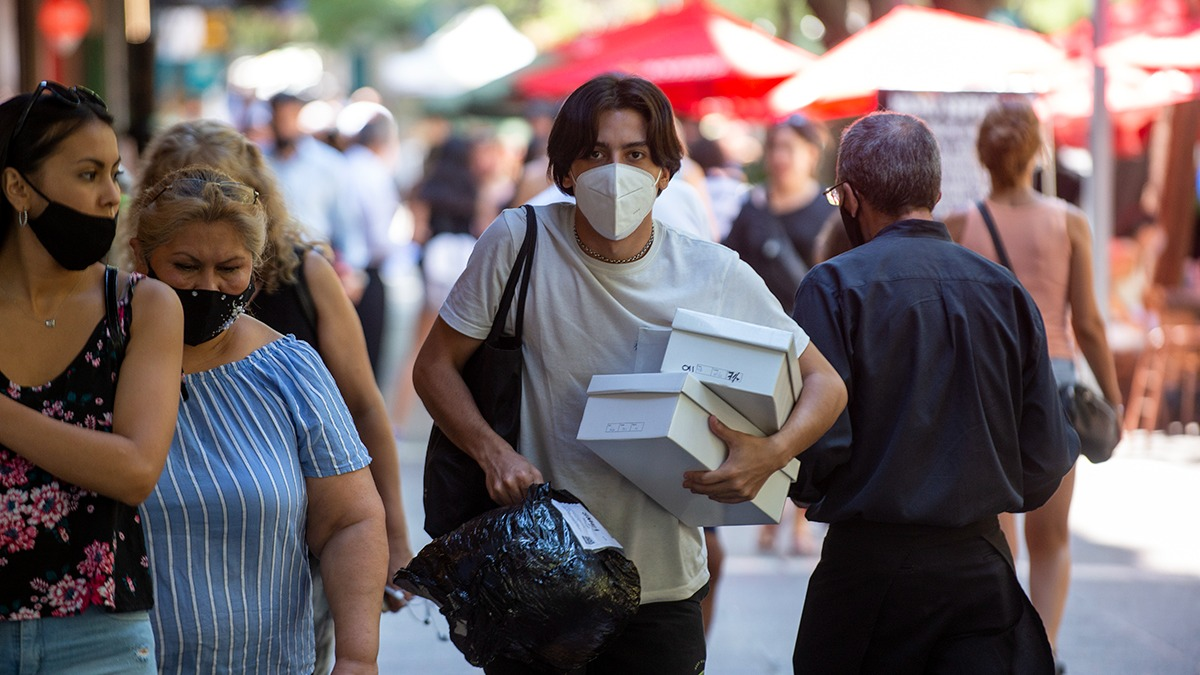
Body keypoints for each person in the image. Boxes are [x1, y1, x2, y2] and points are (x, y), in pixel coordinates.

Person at [413, 73, 846, 674]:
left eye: (635, 155)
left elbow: (825, 383)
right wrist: (492, 453)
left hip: (662, 590)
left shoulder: (711, 271)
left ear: (664, 172)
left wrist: (771, 454)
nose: (614, 173)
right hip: (541, 579)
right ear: (564, 171)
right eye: (595, 154)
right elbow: (435, 366)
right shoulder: (517, 242)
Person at [790, 111, 1078, 674]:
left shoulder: (832, 286)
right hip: (980, 572)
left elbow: (818, 451)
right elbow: (1045, 457)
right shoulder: (1005, 291)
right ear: (937, 192)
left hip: (866, 575)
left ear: (849, 198)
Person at [133, 118, 414, 674]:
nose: (206, 287)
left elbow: (360, 419)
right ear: (147, 248)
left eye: (229, 266)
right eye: (186, 264)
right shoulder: (105, 354)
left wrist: (360, 653)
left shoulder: (291, 348)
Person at [0, 81, 183, 672]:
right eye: (88, 175)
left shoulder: (143, 307)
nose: (112, 196)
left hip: (99, 637)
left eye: (115, 173)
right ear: (16, 186)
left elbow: (133, 470)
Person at [946, 99, 1123, 664]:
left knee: (999, 538)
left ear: (983, 155)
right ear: (1036, 153)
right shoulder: (1069, 221)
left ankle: (1001, 648)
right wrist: (1114, 402)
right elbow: (1089, 323)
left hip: (984, 388)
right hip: (1056, 384)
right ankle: (1042, 654)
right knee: (1052, 538)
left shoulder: (958, 224)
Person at [723, 113, 836, 313]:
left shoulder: (829, 207)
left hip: (806, 323)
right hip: (754, 318)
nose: (778, 157)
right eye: (773, 147)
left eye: (788, 147)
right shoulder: (754, 205)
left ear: (811, 154)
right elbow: (729, 261)